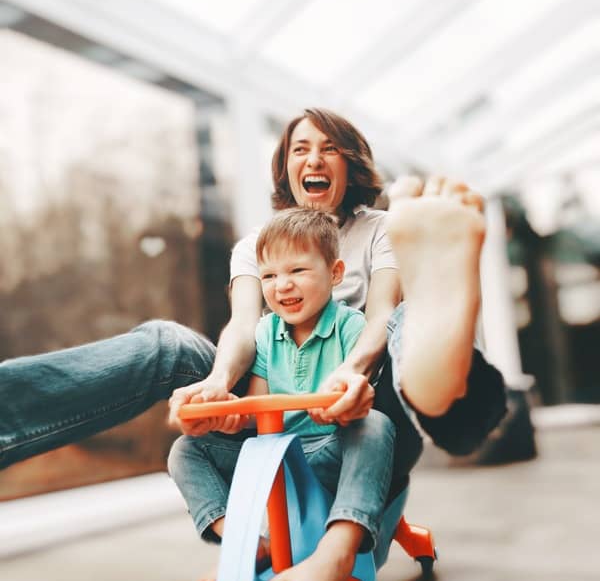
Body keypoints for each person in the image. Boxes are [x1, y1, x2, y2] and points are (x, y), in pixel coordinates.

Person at [1, 108, 505, 505]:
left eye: (329, 149)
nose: (314, 159)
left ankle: (440, 381)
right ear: (285, 167)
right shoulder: (255, 246)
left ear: (350, 164)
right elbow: (244, 325)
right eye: (301, 149)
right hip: (278, 407)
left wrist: (351, 373)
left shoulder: (387, 228)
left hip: (367, 408)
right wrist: (219, 383)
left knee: (403, 318)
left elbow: (377, 314)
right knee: (168, 343)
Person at [168, 208, 395, 581]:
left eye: (298, 271)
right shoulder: (265, 332)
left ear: (336, 273)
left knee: (376, 427)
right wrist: (233, 415)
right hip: (273, 456)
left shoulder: (349, 327)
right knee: (186, 451)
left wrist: (342, 410)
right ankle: (247, 545)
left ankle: (337, 551)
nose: (282, 286)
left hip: (328, 450)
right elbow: (258, 409)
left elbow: (357, 398)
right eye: (269, 276)